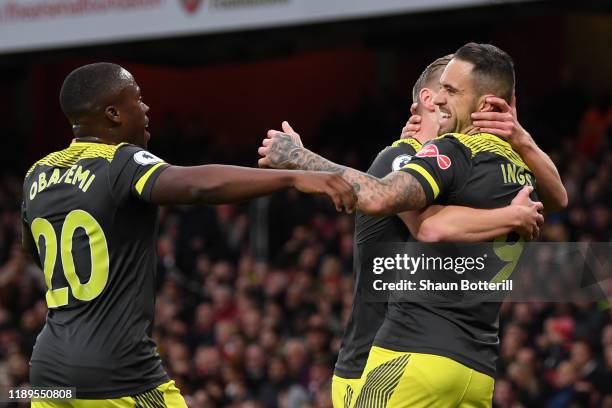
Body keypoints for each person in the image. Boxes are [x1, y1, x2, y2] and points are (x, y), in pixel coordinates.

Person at [21, 62, 356, 407]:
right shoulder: (119, 161)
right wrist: (292, 178)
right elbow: (196, 186)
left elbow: (37, 255)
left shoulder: (36, 175)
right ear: (113, 114)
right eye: (137, 99)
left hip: (48, 369)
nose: (146, 107)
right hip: (115, 371)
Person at [258, 43, 567, 407]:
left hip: (399, 355)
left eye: (452, 92)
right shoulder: (511, 164)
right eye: (442, 91)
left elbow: (412, 217)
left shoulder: (440, 154)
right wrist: (511, 211)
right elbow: (558, 197)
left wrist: (298, 157)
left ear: (484, 103)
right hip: (475, 363)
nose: (441, 103)